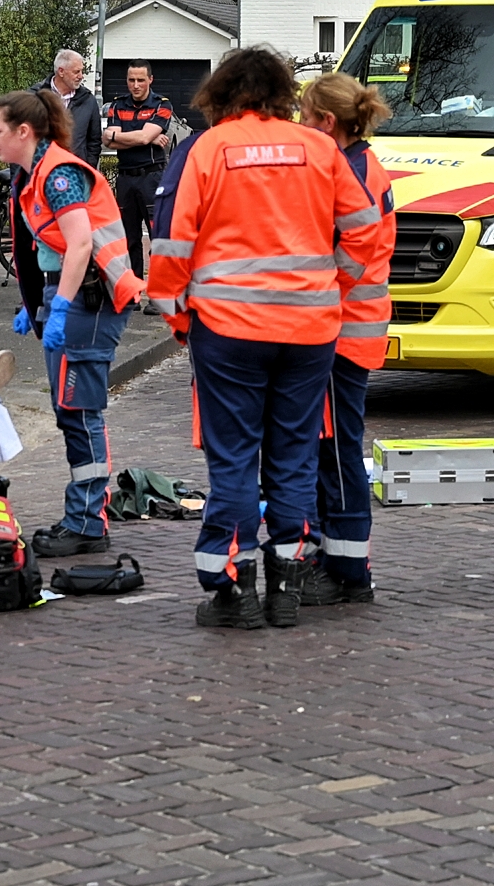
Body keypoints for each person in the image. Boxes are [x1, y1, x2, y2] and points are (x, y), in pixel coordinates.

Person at [148, 47, 382, 630]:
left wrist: (179, 317)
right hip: (309, 330)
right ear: (282, 93)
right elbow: (364, 231)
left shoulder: (208, 149)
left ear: (222, 94)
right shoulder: (319, 149)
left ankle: (233, 590)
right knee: (294, 457)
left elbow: (171, 244)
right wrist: (331, 284)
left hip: (228, 329)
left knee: (234, 459)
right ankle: (286, 588)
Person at [0, 87, 143, 557]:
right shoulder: (36, 174)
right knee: (70, 411)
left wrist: (58, 305)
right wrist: (39, 301)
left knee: (80, 412)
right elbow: (55, 246)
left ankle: (88, 522)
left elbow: (79, 244)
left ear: (23, 131)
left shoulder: (57, 175)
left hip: (90, 301)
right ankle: (83, 516)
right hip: (74, 296)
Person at [295, 73, 396, 608]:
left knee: (335, 453)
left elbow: (352, 250)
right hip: (351, 327)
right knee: (330, 449)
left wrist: (314, 294)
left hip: (340, 331)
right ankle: (339, 561)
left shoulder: (349, 172)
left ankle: (350, 572)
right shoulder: (362, 164)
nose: (300, 125)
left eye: (306, 116)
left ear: (328, 122)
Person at [103, 59, 173, 307]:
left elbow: (137, 137)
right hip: (125, 178)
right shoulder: (117, 105)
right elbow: (108, 140)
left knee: (158, 238)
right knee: (129, 239)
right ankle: (133, 293)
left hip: (152, 178)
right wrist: (146, 138)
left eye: (141, 80)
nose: (135, 85)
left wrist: (126, 136)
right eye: (131, 80)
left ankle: (158, 296)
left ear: (150, 80)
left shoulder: (162, 104)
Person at [37, 49, 103, 168]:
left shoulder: (88, 100)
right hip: (42, 171)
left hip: (76, 172)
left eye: (81, 71)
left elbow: (94, 141)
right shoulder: (35, 97)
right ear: (61, 71)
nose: (81, 76)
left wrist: (87, 169)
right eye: (76, 72)